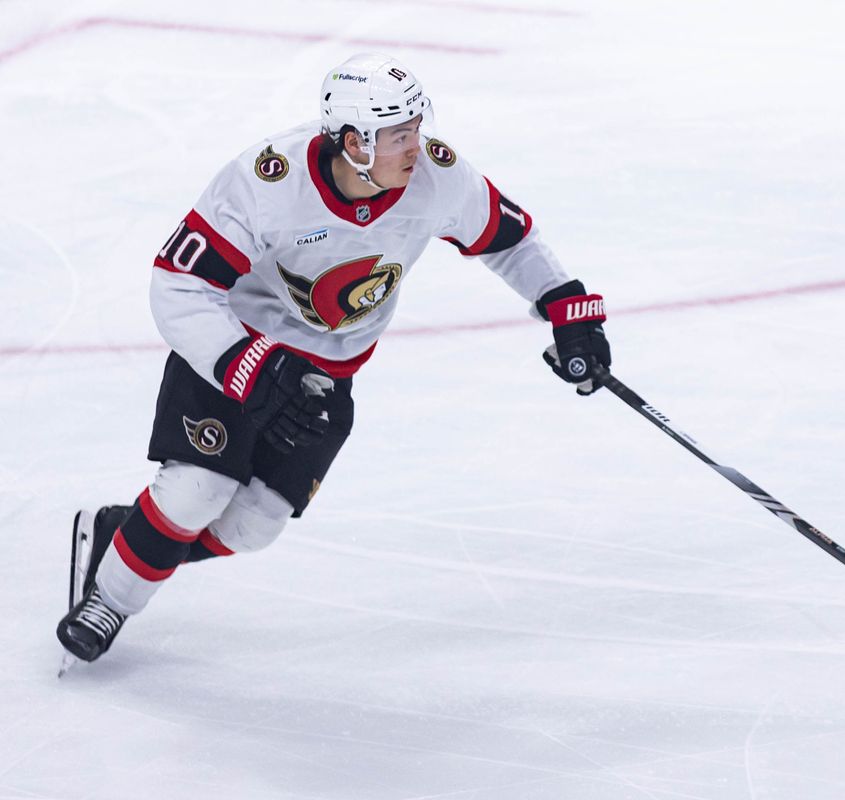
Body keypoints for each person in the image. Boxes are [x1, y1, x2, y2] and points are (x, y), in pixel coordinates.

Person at [55, 53, 611, 668]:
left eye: (416, 129)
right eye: (399, 135)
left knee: (254, 526)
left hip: (324, 375)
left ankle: (121, 536)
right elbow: (178, 285)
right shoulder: (266, 182)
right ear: (354, 142)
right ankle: (109, 598)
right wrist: (247, 365)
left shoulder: (437, 179)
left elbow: (512, 239)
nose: (416, 148)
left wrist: (566, 308)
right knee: (195, 491)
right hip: (236, 351)